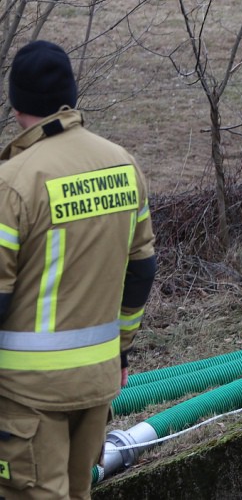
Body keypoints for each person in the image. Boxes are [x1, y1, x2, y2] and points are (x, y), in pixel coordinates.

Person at [0, 40, 156, 500]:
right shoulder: (123, 165)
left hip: (26, 392)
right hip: (97, 382)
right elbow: (142, 269)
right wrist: (121, 351)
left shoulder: (14, 182)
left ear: (16, 103)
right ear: (71, 95)